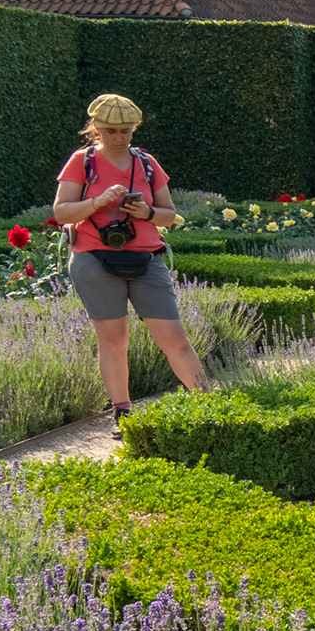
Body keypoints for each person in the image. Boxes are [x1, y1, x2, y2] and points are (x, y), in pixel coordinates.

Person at [53, 93, 208, 439]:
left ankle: (208, 406)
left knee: (175, 339)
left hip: (145, 257)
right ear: (95, 128)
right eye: (111, 130)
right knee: (114, 340)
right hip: (94, 257)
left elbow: (169, 215)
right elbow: (62, 211)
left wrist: (147, 213)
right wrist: (98, 202)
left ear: (134, 129)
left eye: (126, 130)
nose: (119, 138)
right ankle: (123, 414)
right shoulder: (83, 161)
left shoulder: (146, 163)